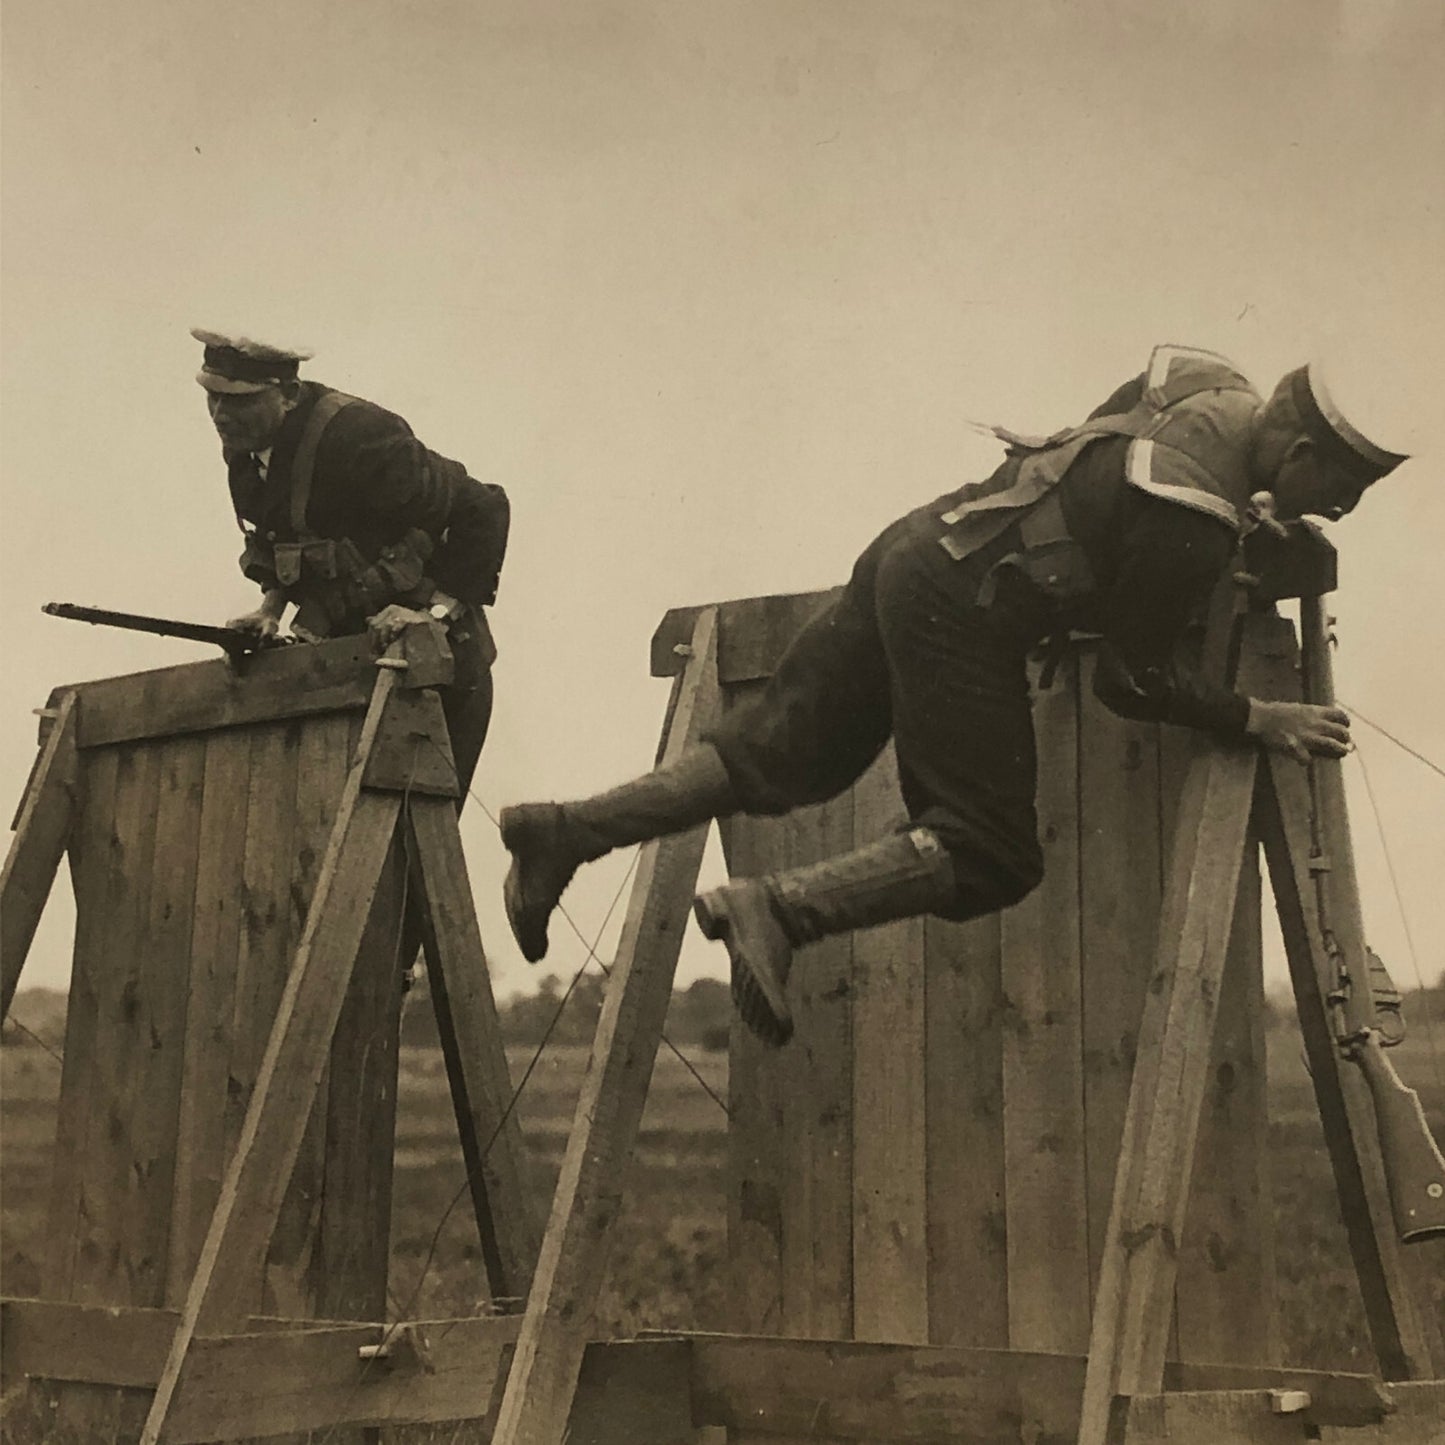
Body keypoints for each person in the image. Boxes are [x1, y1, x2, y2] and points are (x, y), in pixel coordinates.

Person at [499, 344, 1406, 1046]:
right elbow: (1132, 680)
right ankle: (776, 908)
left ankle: (565, 830)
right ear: (1294, 451)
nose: (1338, 511)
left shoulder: (1203, 381)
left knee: (776, 755)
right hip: (964, 605)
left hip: (918, 544)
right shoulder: (1194, 523)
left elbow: (1093, 476)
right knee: (992, 849)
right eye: (1340, 491)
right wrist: (1257, 715)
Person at [195, 328, 510, 791]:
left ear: (288, 395)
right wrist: (269, 611)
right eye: (213, 398)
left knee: (407, 850)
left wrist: (431, 612)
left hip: (434, 674)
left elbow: (481, 506)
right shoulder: (245, 448)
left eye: (239, 400)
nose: (221, 415)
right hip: (346, 669)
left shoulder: (359, 435)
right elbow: (286, 536)